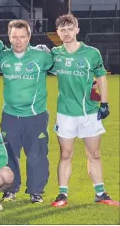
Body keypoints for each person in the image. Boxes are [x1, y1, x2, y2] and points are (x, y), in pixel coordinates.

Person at [49, 14, 118, 207]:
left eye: (70, 28)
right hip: (65, 113)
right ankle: (62, 195)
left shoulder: (91, 53)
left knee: (94, 154)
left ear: (77, 30)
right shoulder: (54, 54)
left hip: (89, 113)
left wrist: (105, 104)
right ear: (58, 33)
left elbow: (102, 77)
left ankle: (101, 193)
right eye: (62, 30)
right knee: (65, 155)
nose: (66, 32)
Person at [0, 20, 53, 203]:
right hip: (10, 115)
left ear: (29, 37)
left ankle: (36, 191)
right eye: (14, 37)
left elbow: (62, 67)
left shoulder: (41, 57)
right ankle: (11, 189)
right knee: (9, 155)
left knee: (37, 154)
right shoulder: (2, 58)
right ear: (9, 37)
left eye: (22, 37)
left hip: (35, 116)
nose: (18, 41)